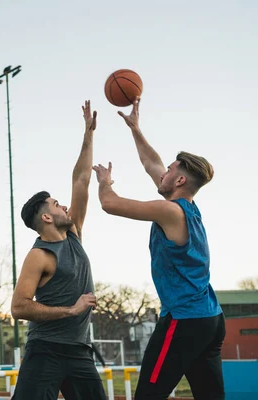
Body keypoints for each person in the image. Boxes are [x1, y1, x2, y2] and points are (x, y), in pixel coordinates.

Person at [92, 97, 225, 399]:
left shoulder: (171, 212)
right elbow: (150, 163)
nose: (161, 172)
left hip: (184, 320)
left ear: (178, 179)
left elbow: (109, 204)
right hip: (210, 320)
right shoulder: (187, 207)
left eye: (169, 170)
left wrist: (105, 181)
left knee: (147, 396)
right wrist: (136, 128)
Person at [11, 101, 106, 400]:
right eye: (55, 204)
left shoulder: (74, 234)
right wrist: (71, 309)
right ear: (46, 218)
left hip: (79, 351)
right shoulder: (39, 255)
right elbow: (19, 308)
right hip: (46, 351)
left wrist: (88, 133)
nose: (64, 205)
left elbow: (81, 179)